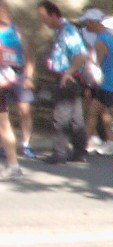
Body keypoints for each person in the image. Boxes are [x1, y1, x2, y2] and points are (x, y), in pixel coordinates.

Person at [79, 9, 113, 158]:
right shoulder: (109, 37)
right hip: (109, 81)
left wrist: (90, 81)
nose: (86, 26)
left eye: (87, 23)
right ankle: (94, 145)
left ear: (93, 23)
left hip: (105, 83)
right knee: (93, 113)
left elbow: (98, 64)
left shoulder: (100, 41)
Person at [37, 1, 87, 164]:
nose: (42, 21)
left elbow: (81, 55)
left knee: (61, 116)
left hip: (67, 79)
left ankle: (59, 153)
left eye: (44, 17)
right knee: (76, 119)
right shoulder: (62, 31)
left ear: (53, 15)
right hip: (68, 78)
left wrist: (68, 72)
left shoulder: (68, 31)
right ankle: (79, 153)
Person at [0, 1, 34, 177]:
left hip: (14, 77)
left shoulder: (17, 33)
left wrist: (28, 77)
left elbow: (29, 57)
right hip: (8, 77)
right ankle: (13, 165)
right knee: (4, 124)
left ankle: (21, 153)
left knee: (18, 115)